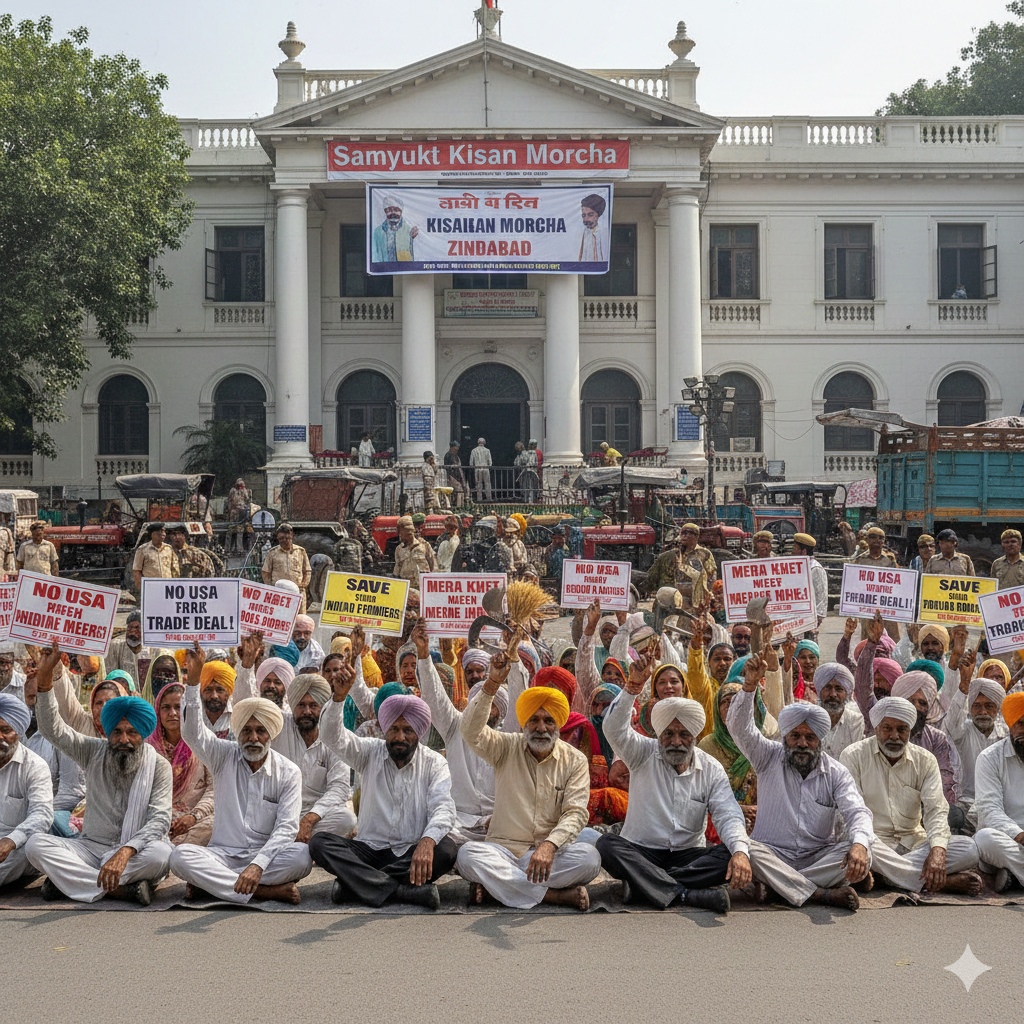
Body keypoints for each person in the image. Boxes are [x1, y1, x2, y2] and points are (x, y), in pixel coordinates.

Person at [596, 670, 752, 912]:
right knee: (606, 845)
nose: (676, 742)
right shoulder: (642, 753)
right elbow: (613, 729)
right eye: (668, 734)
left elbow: (728, 814)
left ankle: (645, 884)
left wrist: (740, 853)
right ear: (659, 735)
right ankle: (685, 893)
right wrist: (631, 689)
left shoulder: (711, 768)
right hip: (642, 851)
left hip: (688, 854)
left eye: (684, 734)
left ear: (695, 736)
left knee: (732, 854)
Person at [729, 653, 875, 911]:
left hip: (817, 857)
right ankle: (818, 894)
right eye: (795, 736)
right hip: (772, 853)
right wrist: (749, 687)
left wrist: (859, 846)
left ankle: (780, 887)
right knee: (748, 851)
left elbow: (857, 812)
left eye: (810, 737)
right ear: (785, 737)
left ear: (820, 740)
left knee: (862, 852)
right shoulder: (767, 756)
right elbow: (741, 730)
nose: (802, 743)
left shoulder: (836, 772)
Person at [169, 644, 313, 904]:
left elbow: (286, 828)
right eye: (247, 730)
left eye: (260, 731)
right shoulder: (223, 756)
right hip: (222, 855)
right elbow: (192, 734)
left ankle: (213, 886)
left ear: (271, 734)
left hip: (265, 856)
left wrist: (257, 865)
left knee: (302, 857)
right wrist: (193, 682)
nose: (253, 738)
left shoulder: (288, 772)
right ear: (238, 733)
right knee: (179, 857)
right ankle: (263, 891)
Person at [28, 647, 173, 905]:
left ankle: (69, 882)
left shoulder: (159, 766)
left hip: (135, 850)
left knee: (161, 855)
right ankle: (121, 890)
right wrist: (45, 680)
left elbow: (160, 819)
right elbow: (53, 730)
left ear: (143, 733)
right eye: (117, 732)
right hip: (91, 848)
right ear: (107, 732)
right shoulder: (93, 751)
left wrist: (126, 851)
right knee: (35, 845)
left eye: (132, 732)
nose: (124, 739)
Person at [456, 658, 602, 910]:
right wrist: (491, 684)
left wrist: (549, 846)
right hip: (504, 852)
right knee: (467, 856)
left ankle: (498, 888)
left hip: (550, 853)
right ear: (524, 723)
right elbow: (470, 731)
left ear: (559, 724)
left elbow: (576, 813)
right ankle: (554, 896)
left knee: (590, 860)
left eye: (548, 721)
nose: (541, 728)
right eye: (534, 720)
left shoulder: (574, 760)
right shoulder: (506, 747)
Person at [312, 659, 458, 909]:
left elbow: (443, 808)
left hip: (410, 851)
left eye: (408, 730)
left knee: (446, 849)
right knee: (320, 843)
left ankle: (358, 885)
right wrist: (338, 699)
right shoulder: (369, 752)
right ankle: (402, 891)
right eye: (394, 729)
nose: (400, 737)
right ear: (384, 728)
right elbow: (331, 736)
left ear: (419, 732)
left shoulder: (434, 763)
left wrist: (427, 841)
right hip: (369, 850)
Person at [840, 696, 981, 895]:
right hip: (874, 844)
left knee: (969, 849)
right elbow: (853, 811)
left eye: (902, 729)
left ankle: (885, 877)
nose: (894, 736)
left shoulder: (925, 760)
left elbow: (936, 810)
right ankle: (940, 883)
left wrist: (938, 851)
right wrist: (861, 844)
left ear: (910, 731)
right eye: (887, 728)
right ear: (876, 728)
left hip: (914, 843)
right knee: (849, 848)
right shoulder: (853, 755)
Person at [411, 621, 506, 846]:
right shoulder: (456, 726)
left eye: (491, 705)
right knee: (440, 843)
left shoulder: (509, 737)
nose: (484, 711)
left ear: (501, 711)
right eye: (478, 705)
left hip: (501, 824)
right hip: (458, 824)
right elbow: (435, 698)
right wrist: (423, 655)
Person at [148, 682, 214, 847]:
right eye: (166, 707)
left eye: (178, 707)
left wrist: (193, 816)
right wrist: (163, 818)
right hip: (159, 818)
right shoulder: (148, 747)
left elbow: (215, 788)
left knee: (215, 824)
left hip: (195, 819)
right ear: (158, 711)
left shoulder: (204, 742)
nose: (172, 713)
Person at [941, 664, 1008, 826]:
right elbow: (950, 724)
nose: (983, 712)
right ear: (970, 708)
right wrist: (964, 687)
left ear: (997, 709)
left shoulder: (1006, 736)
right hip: (966, 804)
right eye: (977, 706)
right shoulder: (962, 732)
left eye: (989, 706)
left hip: (1002, 806)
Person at [0, 694, 53, 888]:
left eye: (6, 730)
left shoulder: (35, 766)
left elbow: (42, 815)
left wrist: (10, 840)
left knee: (32, 847)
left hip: (16, 846)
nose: (0, 737)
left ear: (19, 732)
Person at [973, 692, 1024, 890]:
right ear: (1010, 725)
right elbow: (989, 811)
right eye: (1021, 724)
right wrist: (1019, 835)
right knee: (985, 839)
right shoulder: (989, 758)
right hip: (1010, 839)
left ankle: (1014, 876)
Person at [890, 669, 962, 808]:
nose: (916, 707)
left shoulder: (936, 738)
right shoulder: (883, 733)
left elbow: (944, 780)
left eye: (922, 703)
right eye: (911, 701)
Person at [852, 527, 900, 640]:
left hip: (886, 604)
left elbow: (897, 582)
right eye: (873, 537)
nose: (877, 540)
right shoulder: (860, 560)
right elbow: (854, 583)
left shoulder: (890, 560)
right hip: (867, 605)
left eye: (881, 538)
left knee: (891, 636)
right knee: (867, 636)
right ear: (867, 539)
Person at [814, 663, 865, 758]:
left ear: (847, 693)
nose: (833, 694)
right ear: (820, 691)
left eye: (839, 689)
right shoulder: (809, 719)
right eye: (828, 687)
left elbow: (855, 758)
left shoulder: (855, 721)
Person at [262, 523, 312, 614]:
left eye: (287, 538)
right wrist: (272, 588)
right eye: (281, 538)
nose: (284, 541)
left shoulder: (300, 551)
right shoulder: (272, 553)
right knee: (279, 617)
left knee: (300, 619)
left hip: (298, 593)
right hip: (279, 595)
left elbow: (307, 571)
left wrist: (303, 585)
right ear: (278, 538)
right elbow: (265, 572)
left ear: (292, 536)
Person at [105, 611, 153, 690]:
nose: (132, 631)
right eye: (130, 627)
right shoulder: (116, 646)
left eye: (136, 627)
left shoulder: (151, 649)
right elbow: (111, 674)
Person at [792, 533, 828, 630]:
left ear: (803, 551)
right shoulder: (796, 567)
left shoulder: (815, 568)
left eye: (795, 548)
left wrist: (816, 622)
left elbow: (821, 597)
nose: (792, 551)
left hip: (809, 622)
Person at [371, 192, 418, 263]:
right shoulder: (378, 232)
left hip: (404, 268)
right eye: (389, 210)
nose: (393, 213)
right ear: (385, 212)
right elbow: (374, 254)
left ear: (401, 212)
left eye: (396, 210)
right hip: (384, 268)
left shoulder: (409, 230)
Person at [394, 514, 437, 589]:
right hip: (406, 588)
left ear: (409, 531)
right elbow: (397, 571)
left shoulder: (424, 545)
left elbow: (434, 565)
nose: (400, 535)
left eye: (401, 533)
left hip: (422, 587)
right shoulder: (399, 549)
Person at [132, 524, 174, 593]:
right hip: (151, 588)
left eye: (164, 532)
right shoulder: (142, 549)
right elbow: (136, 570)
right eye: (160, 532)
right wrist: (142, 589)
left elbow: (173, 568)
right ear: (153, 534)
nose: (163, 534)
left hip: (167, 588)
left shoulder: (168, 548)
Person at [226, 477, 251, 555]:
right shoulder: (233, 491)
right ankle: (228, 548)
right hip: (234, 513)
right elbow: (231, 501)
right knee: (231, 531)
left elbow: (247, 499)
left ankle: (239, 549)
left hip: (241, 513)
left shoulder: (243, 491)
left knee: (240, 531)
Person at [578, 193, 606, 262]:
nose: (586, 219)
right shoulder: (583, 232)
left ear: (598, 215)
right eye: (584, 215)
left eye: (590, 215)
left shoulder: (603, 232)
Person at [443, 442, 467, 507]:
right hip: (451, 476)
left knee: (461, 490)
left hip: (458, 475)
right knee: (458, 490)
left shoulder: (456, 456)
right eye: (454, 449)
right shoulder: (447, 456)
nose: (455, 451)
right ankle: (458, 506)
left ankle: (461, 505)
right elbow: (447, 466)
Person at [469, 437, 492, 502]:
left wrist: (474, 467)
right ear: (484, 443)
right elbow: (490, 462)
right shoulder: (487, 450)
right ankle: (489, 498)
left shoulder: (474, 450)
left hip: (477, 469)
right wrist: (487, 466)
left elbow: (471, 463)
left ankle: (479, 499)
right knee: (487, 484)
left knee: (478, 484)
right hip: (485, 469)